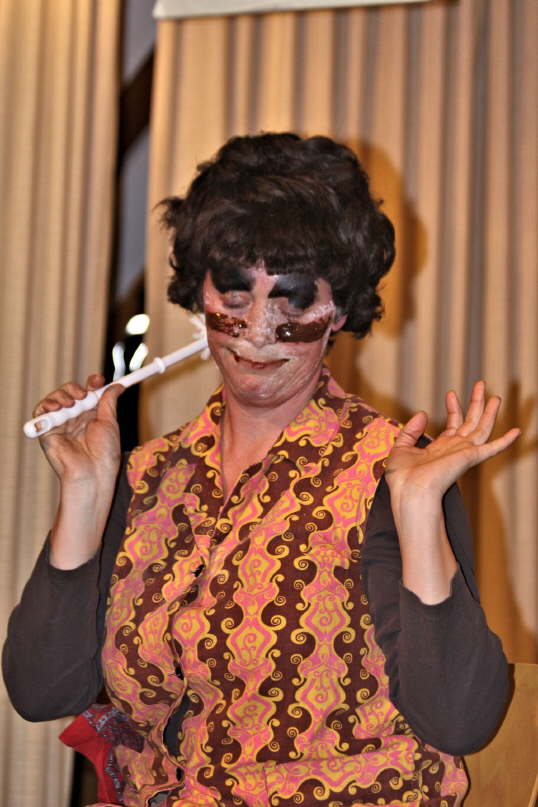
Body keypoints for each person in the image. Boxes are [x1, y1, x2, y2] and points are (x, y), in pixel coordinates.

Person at [3, 133, 519, 807]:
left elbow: (459, 719)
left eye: (292, 300)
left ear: (338, 311)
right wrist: (85, 493)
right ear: (201, 295)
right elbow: (41, 691)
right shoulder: (147, 475)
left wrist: (419, 510)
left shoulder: (390, 473)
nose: (256, 329)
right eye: (235, 293)